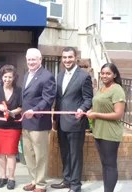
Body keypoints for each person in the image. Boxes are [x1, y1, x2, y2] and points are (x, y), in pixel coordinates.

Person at [51, 47, 93, 192]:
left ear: (75, 58)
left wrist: (82, 109)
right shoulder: (60, 75)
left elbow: (88, 99)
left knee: (75, 154)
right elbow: (59, 98)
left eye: (70, 57)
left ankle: (75, 185)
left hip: (76, 122)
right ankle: (67, 180)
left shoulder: (83, 76)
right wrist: (54, 118)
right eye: (64, 57)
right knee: (64, 152)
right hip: (61, 121)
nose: (67, 60)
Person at [86, 63, 125, 192]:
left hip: (110, 133)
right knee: (105, 164)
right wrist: (89, 111)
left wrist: (96, 114)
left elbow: (118, 114)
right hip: (99, 132)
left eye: (108, 73)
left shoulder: (117, 89)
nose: (104, 76)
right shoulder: (101, 88)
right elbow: (98, 105)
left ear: (114, 75)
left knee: (110, 165)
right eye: (102, 73)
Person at [22, 48, 56, 192]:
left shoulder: (47, 76)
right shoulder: (26, 75)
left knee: (40, 155)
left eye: (33, 59)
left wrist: (34, 111)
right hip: (26, 122)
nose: (31, 62)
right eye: (29, 59)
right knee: (29, 154)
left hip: (39, 122)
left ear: (40, 60)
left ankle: (41, 184)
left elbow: (48, 99)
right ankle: (34, 180)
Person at [0, 64, 22, 190]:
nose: (7, 79)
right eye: (5, 77)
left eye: (10, 77)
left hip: (13, 126)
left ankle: (11, 178)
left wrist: (13, 112)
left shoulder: (19, 90)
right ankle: (3, 177)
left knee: (11, 153)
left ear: (14, 78)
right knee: (1, 153)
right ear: (1, 77)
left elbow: (21, 107)